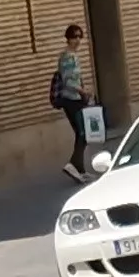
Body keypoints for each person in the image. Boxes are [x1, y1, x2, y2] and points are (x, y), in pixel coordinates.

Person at [51, 23, 95, 181]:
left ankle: (81, 170)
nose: (77, 40)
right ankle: (72, 164)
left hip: (76, 99)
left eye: (79, 37)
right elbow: (68, 81)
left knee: (81, 133)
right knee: (83, 133)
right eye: (73, 37)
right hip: (72, 100)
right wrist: (84, 92)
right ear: (67, 39)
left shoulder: (72, 56)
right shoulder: (68, 57)